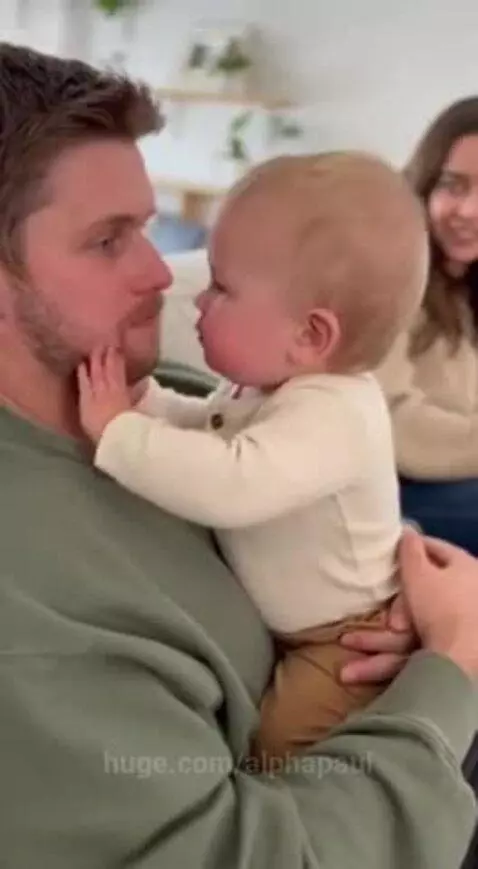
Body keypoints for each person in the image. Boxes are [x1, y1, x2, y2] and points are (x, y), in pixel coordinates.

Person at [0, 42, 477, 869]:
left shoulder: (173, 383)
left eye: (148, 230)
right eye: (109, 240)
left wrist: (410, 614)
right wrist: (449, 670)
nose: (161, 275)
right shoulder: (28, 612)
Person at [75, 150, 428, 765]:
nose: (197, 302)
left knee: (277, 749)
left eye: (222, 287)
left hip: (346, 640)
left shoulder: (335, 414)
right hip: (303, 627)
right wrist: (146, 401)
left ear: (310, 336)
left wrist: (119, 434)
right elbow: (207, 429)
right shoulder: (266, 388)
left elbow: (233, 481)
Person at [377, 97, 478, 555]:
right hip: (400, 487)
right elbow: (391, 422)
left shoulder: (465, 280)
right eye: (453, 186)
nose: (469, 211)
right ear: (423, 185)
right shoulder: (388, 272)